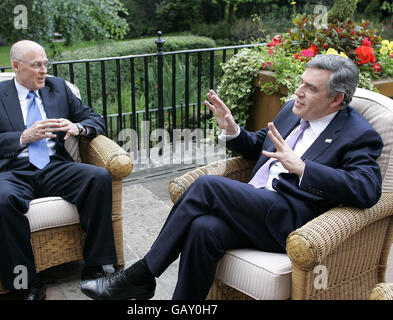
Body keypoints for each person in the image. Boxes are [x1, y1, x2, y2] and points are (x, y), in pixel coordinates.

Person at [80, 54, 383, 300]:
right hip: (256, 205)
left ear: (336, 99)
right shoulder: (293, 110)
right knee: (203, 228)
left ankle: (142, 275)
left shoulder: (358, 135)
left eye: (310, 88)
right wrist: (233, 130)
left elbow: (367, 190)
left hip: (295, 219)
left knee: (207, 186)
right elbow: (261, 145)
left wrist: (304, 168)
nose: (298, 92)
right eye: (301, 83)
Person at [0, 40, 117, 300]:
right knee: (0, 203)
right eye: (36, 65)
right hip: (7, 171)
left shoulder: (58, 88)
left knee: (98, 177)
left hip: (53, 166)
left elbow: (95, 119)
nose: (43, 70)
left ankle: (95, 267)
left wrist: (78, 128)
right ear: (16, 66)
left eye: (45, 64)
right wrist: (22, 137)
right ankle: (26, 284)